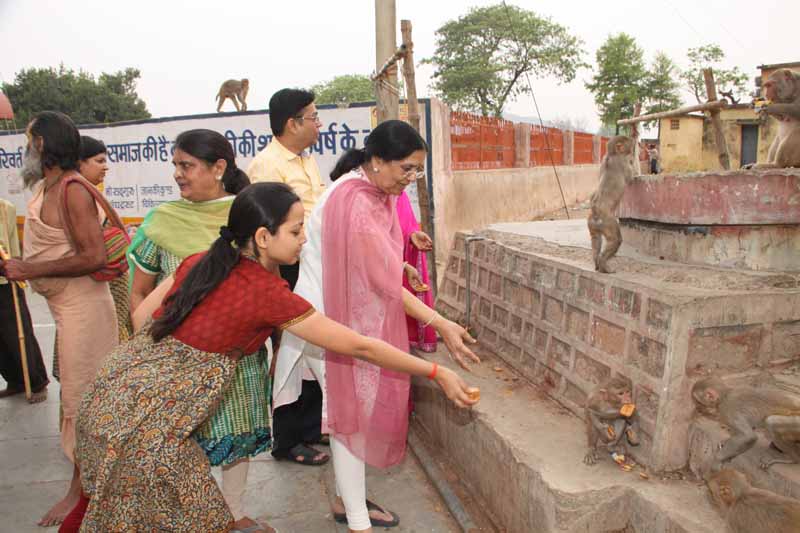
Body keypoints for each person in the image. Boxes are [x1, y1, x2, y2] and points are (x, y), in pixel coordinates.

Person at [67, 182, 477, 532]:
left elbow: (141, 319)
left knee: (125, 513)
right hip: (145, 429)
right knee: (179, 517)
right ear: (263, 237)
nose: (304, 239)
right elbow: (360, 346)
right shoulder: (264, 294)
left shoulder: (201, 261)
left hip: (113, 395)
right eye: (296, 231)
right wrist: (435, 371)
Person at [274, 120, 481, 532]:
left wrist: (399, 266)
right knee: (348, 416)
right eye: (406, 168)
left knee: (349, 414)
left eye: (417, 170)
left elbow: (367, 261)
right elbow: (380, 283)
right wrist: (440, 322)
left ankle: (346, 502)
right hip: (323, 323)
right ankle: (357, 521)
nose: (411, 178)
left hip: (336, 318)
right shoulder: (353, 201)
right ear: (377, 160)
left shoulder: (370, 191)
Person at [127, 129, 272, 533]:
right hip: (176, 358)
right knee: (179, 442)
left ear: (219, 167)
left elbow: (269, 286)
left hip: (237, 357)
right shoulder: (162, 220)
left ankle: (233, 514)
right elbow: (139, 291)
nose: (178, 173)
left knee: (237, 434)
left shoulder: (248, 218)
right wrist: (144, 349)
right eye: (175, 165)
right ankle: (195, 517)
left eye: (187, 165)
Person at [0, 111, 119, 527]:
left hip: (85, 310)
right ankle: (91, 486)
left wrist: (29, 269)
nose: (24, 148)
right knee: (77, 401)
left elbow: (94, 256)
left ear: (40, 144)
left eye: (28, 140)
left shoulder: (72, 189)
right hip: (65, 309)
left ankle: (79, 494)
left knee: (81, 404)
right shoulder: (47, 186)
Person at [248, 88, 329, 466]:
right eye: (313, 117)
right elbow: (266, 235)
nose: (319, 124)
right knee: (289, 354)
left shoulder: (307, 162)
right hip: (287, 267)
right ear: (292, 124)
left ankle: (310, 429)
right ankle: (286, 439)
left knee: (314, 346)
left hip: (312, 262)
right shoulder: (267, 166)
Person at [0, 198, 49, 403]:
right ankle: (16, 381)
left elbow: (13, 251)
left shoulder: (5, 209)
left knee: (17, 333)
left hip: (5, 282)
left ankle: (36, 382)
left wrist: (12, 267)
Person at [397, 191, 437, 353]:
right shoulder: (369, 196)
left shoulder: (401, 195)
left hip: (400, 263)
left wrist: (412, 236)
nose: (410, 179)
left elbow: (405, 224)